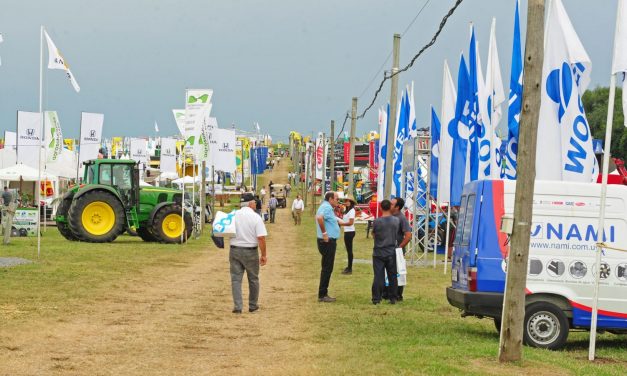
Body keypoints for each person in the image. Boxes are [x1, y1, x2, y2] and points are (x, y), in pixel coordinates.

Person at [229, 192, 268, 314]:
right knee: (253, 279)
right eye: (254, 202)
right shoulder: (256, 217)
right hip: (250, 251)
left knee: (236, 279)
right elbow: (261, 238)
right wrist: (264, 255)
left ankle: (237, 306)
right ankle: (252, 305)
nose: (256, 204)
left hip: (234, 249)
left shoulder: (233, 215)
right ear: (250, 203)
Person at [371, 199, 400, 305]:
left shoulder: (377, 221)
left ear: (381, 208)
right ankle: (393, 297)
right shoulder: (396, 220)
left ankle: (376, 298)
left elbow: (374, 235)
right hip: (391, 250)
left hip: (379, 251)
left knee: (378, 275)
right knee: (392, 275)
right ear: (390, 207)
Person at [315, 191, 340, 302]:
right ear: (330, 199)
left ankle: (323, 293)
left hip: (327, 241)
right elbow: (320, 218)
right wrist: (325, 233)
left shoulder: (325, 206)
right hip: (327, 242)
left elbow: (329, 220)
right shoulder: (326, 207)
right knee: (327, 268)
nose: (337, 201)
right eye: (336, 199)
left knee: (326, 267)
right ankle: (322, 294)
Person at [391, 197, 412, 301]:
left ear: (397, 207)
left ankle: (398, 295)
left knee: (398, 272)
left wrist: (399, 247)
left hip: (397, 251)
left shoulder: (401, 218)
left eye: (392, 204)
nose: (390, 205)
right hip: (388, 250)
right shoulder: (389, 216)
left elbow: (408, 235)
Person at [340, 195, 357, 275]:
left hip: (350, 232)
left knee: (349, 251)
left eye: (348, 201)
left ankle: (349, 268)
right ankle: (349, 267)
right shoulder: (347, 210)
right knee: (348, 250)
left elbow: (351, 223)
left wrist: (341, 224)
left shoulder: (352, 211)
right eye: (345, 201)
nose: (346, 202)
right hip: (347, 232)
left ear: (351, 202)